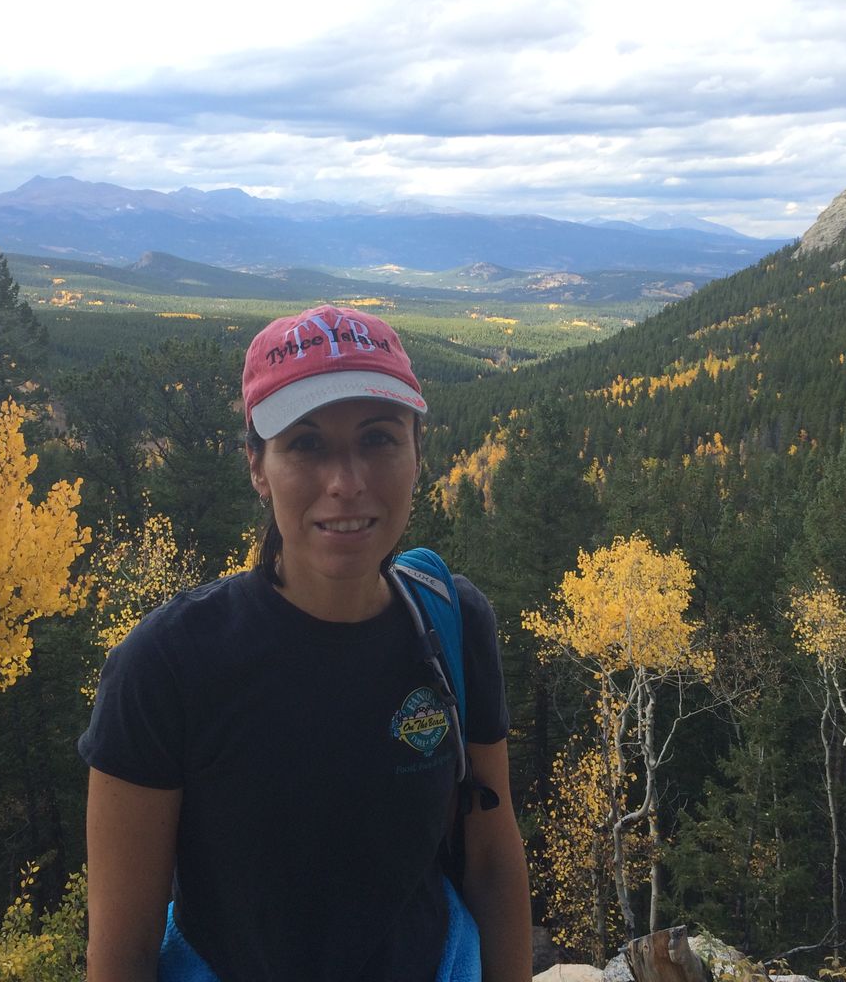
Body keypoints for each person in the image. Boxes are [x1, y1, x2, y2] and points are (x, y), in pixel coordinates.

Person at [81, 304, 533, 982]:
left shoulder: (451, 621)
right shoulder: (166, 665)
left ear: (417, 454)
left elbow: (491, 856)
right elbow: (122, 950)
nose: (345, 483)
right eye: (305, 443)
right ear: (257, 467)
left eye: (378, 438)